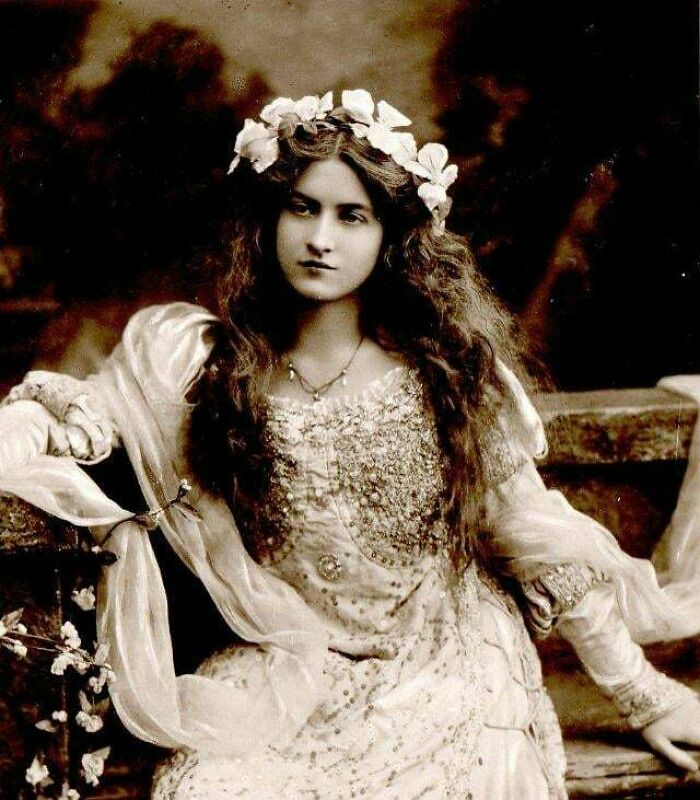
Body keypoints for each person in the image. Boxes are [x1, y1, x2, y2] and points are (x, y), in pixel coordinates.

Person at [1, 89, 699, 799]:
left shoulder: (446, 371)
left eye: (351, 216)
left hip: (444, 662)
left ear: (391, 234)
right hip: (292, 669)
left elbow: (537, 536)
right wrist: (21, 430)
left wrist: (642, 694)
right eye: (302, 208)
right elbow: (80, 412)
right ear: (268, 218)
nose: (320, 238)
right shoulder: (209, 366)